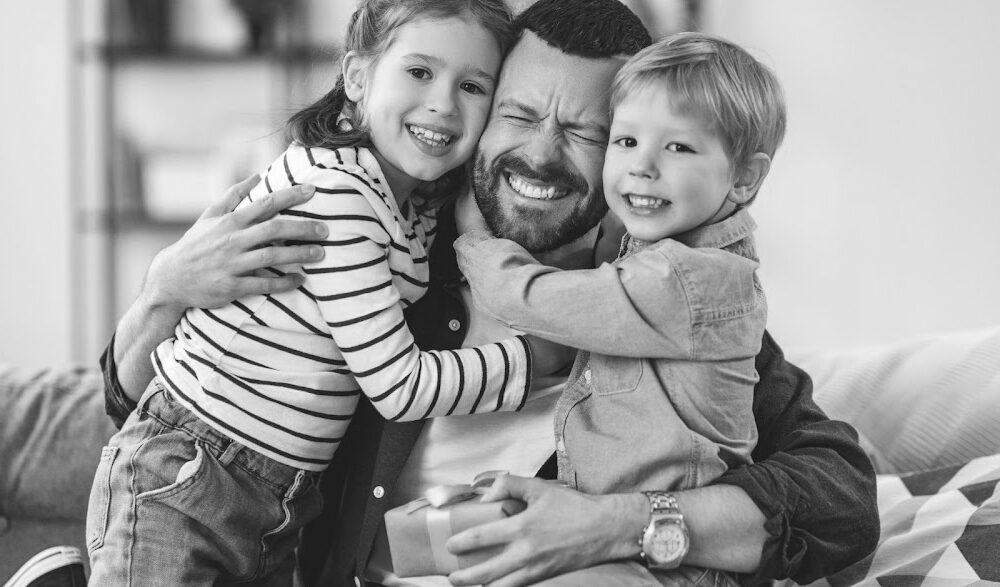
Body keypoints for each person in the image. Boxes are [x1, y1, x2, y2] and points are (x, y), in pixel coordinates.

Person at [99, 1, 879, 586]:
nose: (540, 154)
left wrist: (617, 526)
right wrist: (162, 295)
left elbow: (840, 500)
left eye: (587, 131)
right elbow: (144, 415)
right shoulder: (383, 252)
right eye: (517, 112)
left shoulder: (665, 304)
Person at [86, 1, 543, 585]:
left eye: (473, 85)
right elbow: (398, 387)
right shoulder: (339, 195)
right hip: (194, 468)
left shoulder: (409, 207)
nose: (444, 103)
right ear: (357, 76)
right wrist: (530, 361)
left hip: (276, 496)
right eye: (420, 72)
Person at [453, 31, 785, 584]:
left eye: (678, 147)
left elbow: (533, 298)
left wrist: (475, 241)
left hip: (667, 565)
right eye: (626, 142)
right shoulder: (658, 262)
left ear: (746, 178)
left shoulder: (687, 282)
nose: (642, 167)